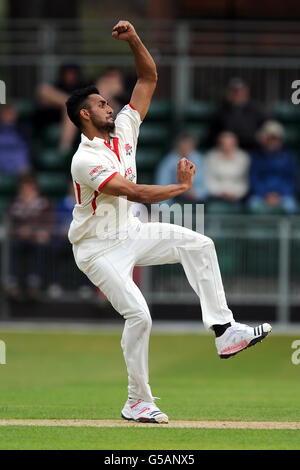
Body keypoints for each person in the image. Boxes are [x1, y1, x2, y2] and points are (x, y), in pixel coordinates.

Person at [66, 20, 272, 425]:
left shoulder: (124, 129)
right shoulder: (84, 159)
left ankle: (225, 329)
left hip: (132, 232)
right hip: (96, 249)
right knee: (140, 315)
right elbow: (134, 192)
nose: (112, 106)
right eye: (103, 104)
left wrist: (135, 39)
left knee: (200, 245)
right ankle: (137, 401)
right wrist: (180, 189)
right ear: (86, 114)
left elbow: (148, 76)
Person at [6, 174, 54, 299]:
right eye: (24, 186)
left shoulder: (43, 203)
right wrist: (18, 231)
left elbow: (49, 222)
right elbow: (8, 222)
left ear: (35, 187)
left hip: (37, 238)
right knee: (11, 246)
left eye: (29, 186)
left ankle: (35, 281)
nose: (26, 189)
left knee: (41, 246)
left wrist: (40, 231)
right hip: (18, 238)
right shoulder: (15, 202)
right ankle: (11, 282)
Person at [248, 121, 298, 214]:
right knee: (253, 205)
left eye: (275, 139)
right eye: (270, 139)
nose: (272, 142)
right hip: (261, 195)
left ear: (281, 140)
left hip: (283, 195)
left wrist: (279, 195)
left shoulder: (288, 157)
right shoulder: (256, 157)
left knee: (291, 206)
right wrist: (265, 194)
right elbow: (254, 179)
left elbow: (292, 180)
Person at [206, 77, 268, 151]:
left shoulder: (256, 109)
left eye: (240, 91)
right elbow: (211, 133)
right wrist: (221, 138)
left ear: (246, 91)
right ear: (229, 92)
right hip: (227, 151)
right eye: (234, 91)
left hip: (253, 150)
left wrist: (262, 133)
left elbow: (268, 125)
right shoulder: (220, 110)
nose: (237, 94)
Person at [155, 132, 207, 204]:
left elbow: (205, 186)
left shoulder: (199, 159)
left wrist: (196, 193)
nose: (186, 147)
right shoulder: (168, 161)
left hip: (197, 200)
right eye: (183, 144)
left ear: (193, 146)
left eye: (189, 144)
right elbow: (162, 186)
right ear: (177, 145)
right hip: (175, 198)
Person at [206, 131, 250, 210]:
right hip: (217, 197)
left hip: (238, 198)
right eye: (224, 144)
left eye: (230, 144)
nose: (227, 147)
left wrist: (235, 193)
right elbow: (209, 179)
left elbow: (244, 181)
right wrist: (221, 193)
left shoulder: (243, 158)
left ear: (236, 144)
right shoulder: (211, 157)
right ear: (219, 144)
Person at [0, 104, 31, 174]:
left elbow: (27, 151)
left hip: (20, 168)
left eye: (11, 114)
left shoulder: (24, 130)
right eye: (6, 113)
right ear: (1, 115)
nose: (9, 117)